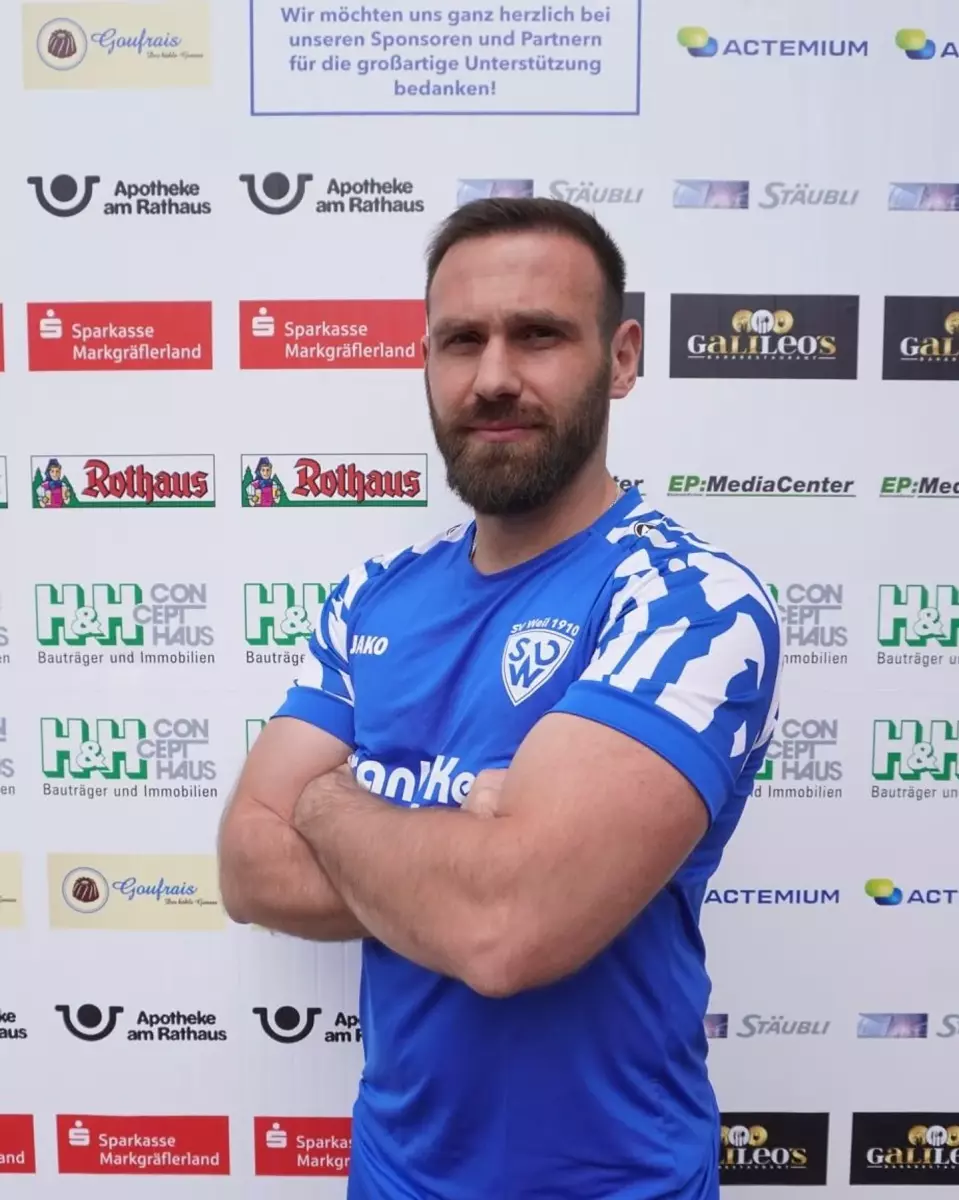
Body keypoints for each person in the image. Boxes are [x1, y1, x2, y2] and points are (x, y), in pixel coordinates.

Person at [218, 197, 783, 1199]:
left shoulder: (687, 603)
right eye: (460, 341)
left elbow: (506, 926)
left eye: (538, 335)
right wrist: (469, 840)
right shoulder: (374, 595)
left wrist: (329, 803)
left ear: (619, 359)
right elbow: (248, 866)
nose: (492, 378)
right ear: (426, 362)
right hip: (392, 1174)